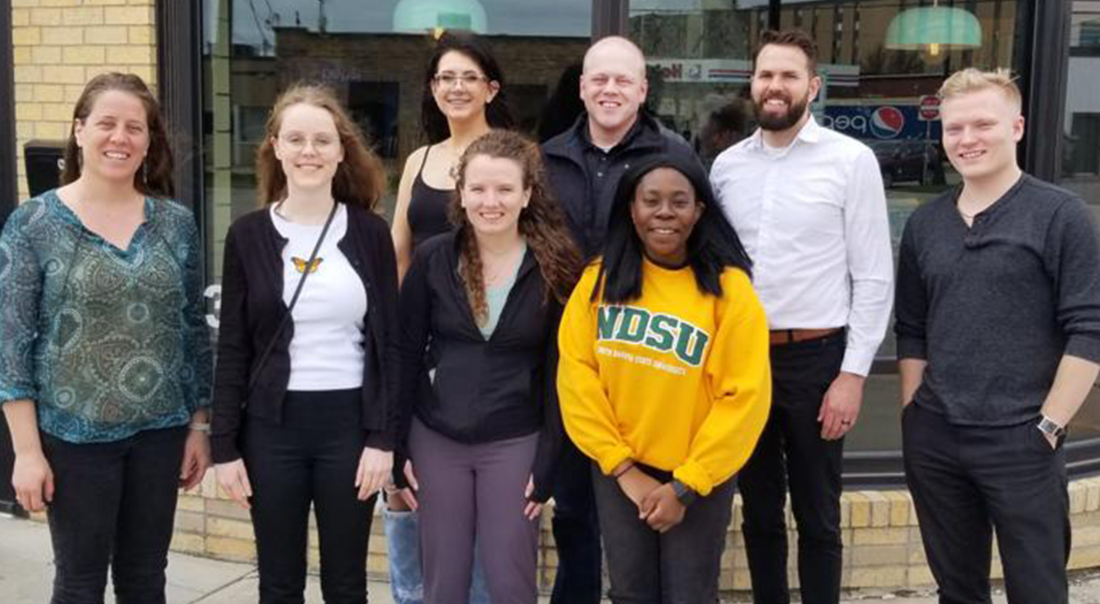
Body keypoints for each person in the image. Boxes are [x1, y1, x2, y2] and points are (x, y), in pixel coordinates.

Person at [0, 72, 212, 604]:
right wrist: (26, 452)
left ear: (148, 141)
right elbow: (12, 343)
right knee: (79, 583)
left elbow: (191, 333)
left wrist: (199, 425)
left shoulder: (175, 224)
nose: (120, 137)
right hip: (73, 441)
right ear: (79, 131)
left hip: (159, 435)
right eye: (107, 124)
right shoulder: (33, 224)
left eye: (134, 127)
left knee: (145, 579)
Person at [895, 68, 1100, 604]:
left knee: (1037, 590)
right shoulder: (926, 225)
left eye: (982, 124)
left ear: (1017, 127)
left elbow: (1090, 328)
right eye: (954, 128)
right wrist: (915, 415)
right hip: (937, 436)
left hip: (1023, 439)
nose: (967, 140)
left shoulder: (1061, 216)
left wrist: (1049, 426)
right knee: (957, 589)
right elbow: (912, 329)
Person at [709, 29, 893, 604]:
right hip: (744, 360)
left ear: (812, 86)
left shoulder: (850, 161)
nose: (775, 86)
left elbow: (874, 275)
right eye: (766, 75)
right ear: (752, 83)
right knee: (759, 511)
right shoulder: (726, 168)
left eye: (789, 76)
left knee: (818, 515)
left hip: (818, 360)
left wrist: (853, 374)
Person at [210, 83, 398, 604]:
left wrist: (385, 439)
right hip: (272, 430)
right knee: (278, 581)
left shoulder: (369, 233)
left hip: (349, 426)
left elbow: (391, 346)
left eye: (321, 139)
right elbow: (232, 349)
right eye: (295, 138)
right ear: (275, 146)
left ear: (341, 150)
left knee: (346, 583)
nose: (308, 151)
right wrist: (224, 447)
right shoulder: (247, 235)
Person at [557, 153, 771, 603]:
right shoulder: (599, 281)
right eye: (650, 200)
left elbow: (744, 397)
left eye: (679, 201)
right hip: (620, 469)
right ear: (631, 209)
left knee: (689, 595)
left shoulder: (730, 291)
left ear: (699, 211)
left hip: (697, 475)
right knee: (630, 593)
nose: (665, 213)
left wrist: (687, 485)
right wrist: (623, 467)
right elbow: (577, 377)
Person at [540, 36, 699, 603]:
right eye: (599, 79)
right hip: (568, 352)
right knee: (576, 505)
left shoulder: (674, 155)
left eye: (623, 80)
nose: (610, 90)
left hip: (646, 353)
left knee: (648, 505)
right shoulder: (546, 156)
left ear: (643, 90)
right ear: (582, 87)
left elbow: (697, 244)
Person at [394, 129, 581, 603]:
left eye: (504, 189)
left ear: (527, 194)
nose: (490, 201)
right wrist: (396, 447)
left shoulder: (556, 265)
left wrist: (550, 457)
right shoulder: (433, 257)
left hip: (516, 439)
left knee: (510, 579)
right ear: (461, 193)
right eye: (477, 188)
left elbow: (566, 370)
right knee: (444, 581)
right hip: (436, 437)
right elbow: (404, 353)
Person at [387, 31, 512, 604]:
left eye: (467, 76)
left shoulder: (509, 155)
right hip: (424, 341)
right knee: (413, 495)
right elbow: (399, 253)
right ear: (432, 89)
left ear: (491, 87)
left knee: (486, 510)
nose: (455, 88)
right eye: (444, 78)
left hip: (484, 351)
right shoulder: (420, 159)